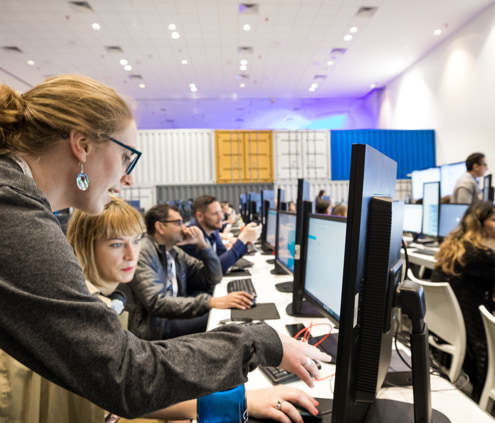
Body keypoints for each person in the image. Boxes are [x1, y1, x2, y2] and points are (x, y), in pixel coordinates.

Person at [0, 75, 331, 419]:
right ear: (82, 144)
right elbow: (126, 374)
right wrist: (256, 340)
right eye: (127, 158)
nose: (128, 179)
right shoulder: (11, 207)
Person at [124, 202, 254, 340]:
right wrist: (209, 302)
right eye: (178, 223)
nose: (184, 227)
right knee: (222, 319)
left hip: (173, 315)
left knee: (225, 313)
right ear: (160, 227)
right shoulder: (143, 252)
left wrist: (202, 245)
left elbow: (214, 276)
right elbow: (157, 303)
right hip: (157, 326)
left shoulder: (174, 252)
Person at [432, 201, 495, 402]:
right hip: (475, 336)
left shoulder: (452, 247)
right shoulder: (482, 257)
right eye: (494, 220)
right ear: (479, 224)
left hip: (448, 331)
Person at [180, 195, 262, 274]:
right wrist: (242, 238)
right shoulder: (192, 236)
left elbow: (222, 254)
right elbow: (216, 268)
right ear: (200, 216)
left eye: (220, 212)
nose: (221, 217)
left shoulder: (212, 229)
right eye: (215, 214)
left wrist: (245, 241)